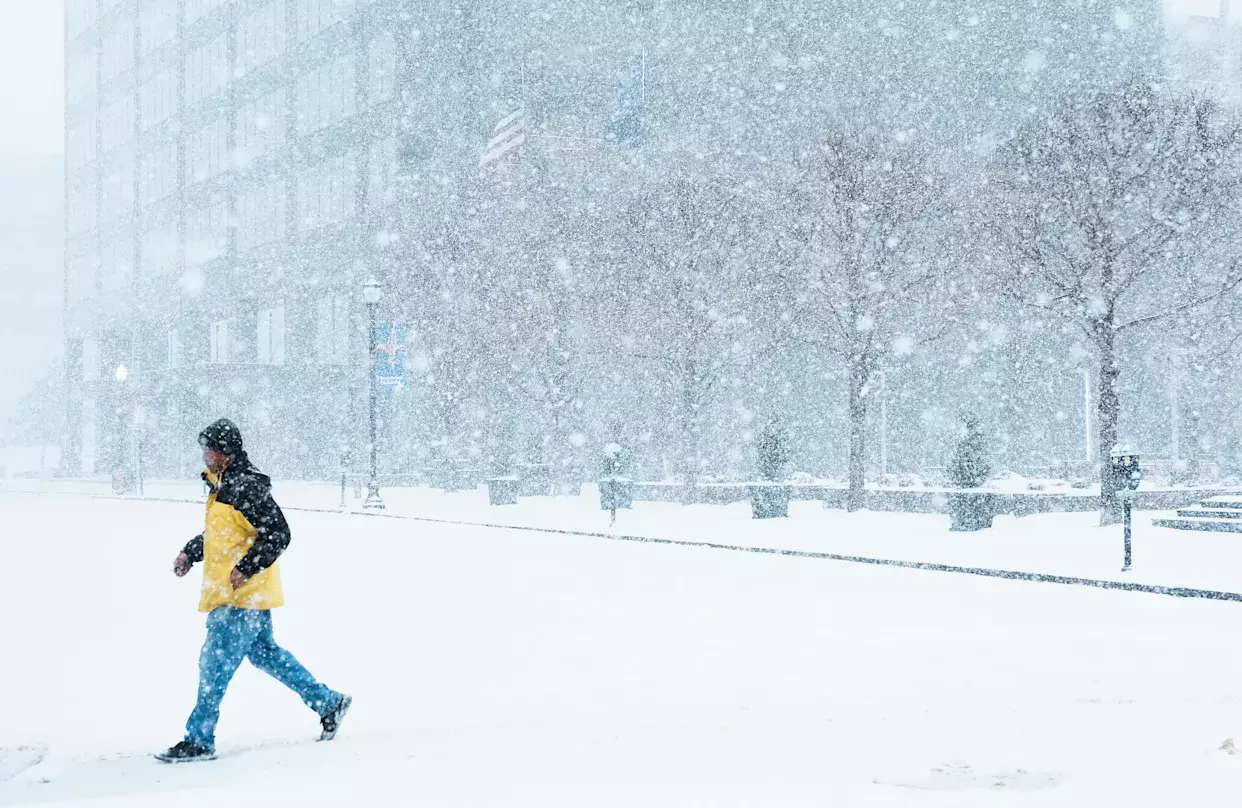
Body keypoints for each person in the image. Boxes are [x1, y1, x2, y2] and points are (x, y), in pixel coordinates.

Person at [156, 418, 351, 763]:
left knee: (213, 666)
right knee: (265, 654)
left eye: (209, 449)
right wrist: (190, 552)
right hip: (242, 594)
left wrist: (246, 568)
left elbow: (279, 534)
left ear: (226, 452)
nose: (204, 455)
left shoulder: (245, 487)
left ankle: (199, 740)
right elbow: (223, 535)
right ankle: (328, 703)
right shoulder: (221, 485)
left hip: (240, 596)